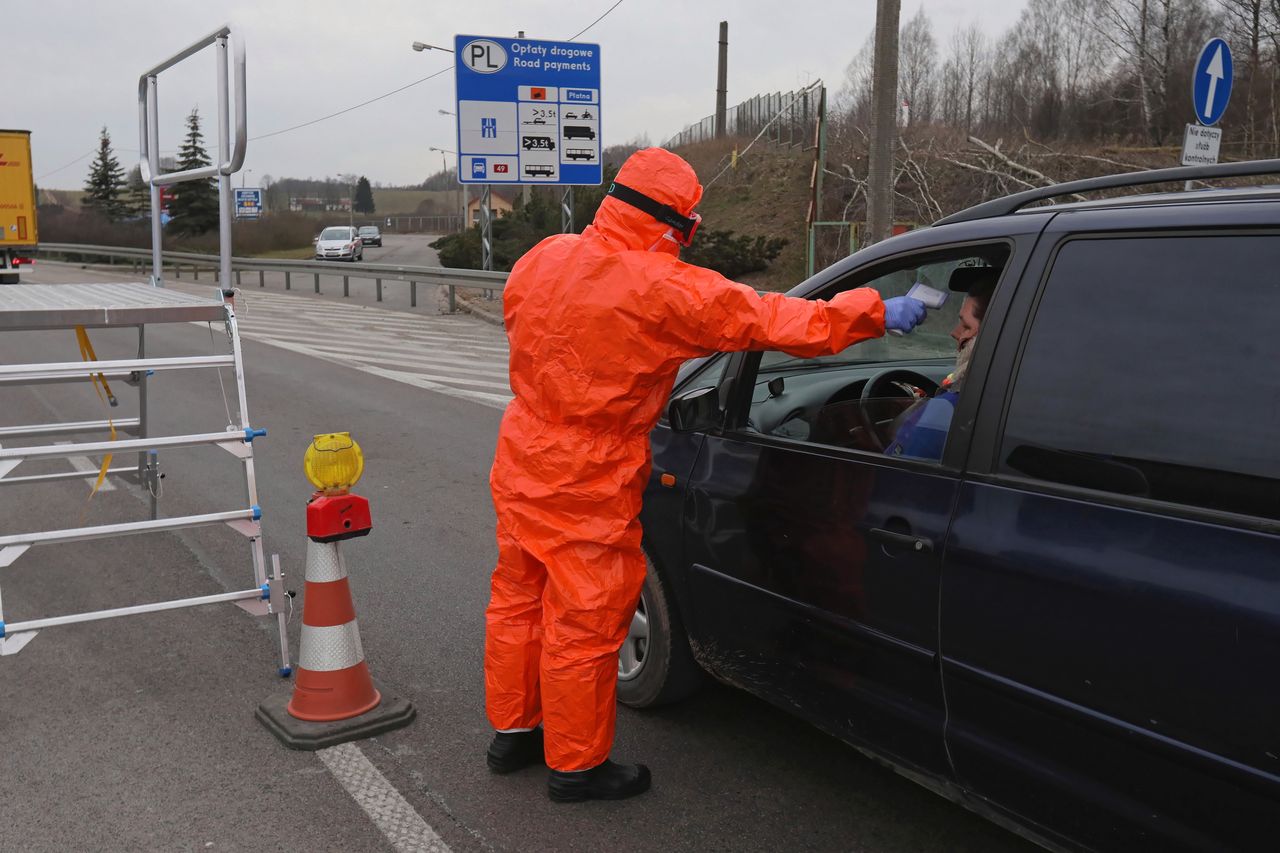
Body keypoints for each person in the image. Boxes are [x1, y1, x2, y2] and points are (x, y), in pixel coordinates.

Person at [483, 147, 926, 803]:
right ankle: (575, 766)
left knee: (518, 598)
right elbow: (771, 318)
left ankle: (513, 732)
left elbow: (523, 319)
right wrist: (876, 312)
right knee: (585, 619)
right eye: (690, 224)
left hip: (523, 452)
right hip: (591, 471)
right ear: (675, 223)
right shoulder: (663, 288)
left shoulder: (545, 254)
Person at [884, 267, 997, 460]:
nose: (955, 333)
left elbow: (893, 476)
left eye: (967, 326)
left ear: (991, 337)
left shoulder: (947, 411)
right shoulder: (1008, 397)